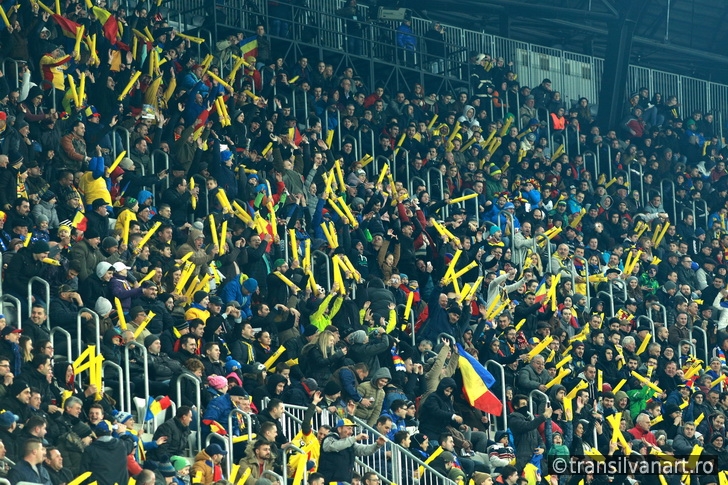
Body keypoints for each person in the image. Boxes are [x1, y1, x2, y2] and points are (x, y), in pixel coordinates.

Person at [318, 418, 386, 483]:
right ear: (339, 429)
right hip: (328, 481)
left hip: (344, 482)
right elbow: (335, 446)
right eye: (349, 428)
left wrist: (377, 445)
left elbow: (364, 450)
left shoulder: (350, 443)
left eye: (352, 429)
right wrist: (355, 438)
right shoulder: (330, 438)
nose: (351, 432)